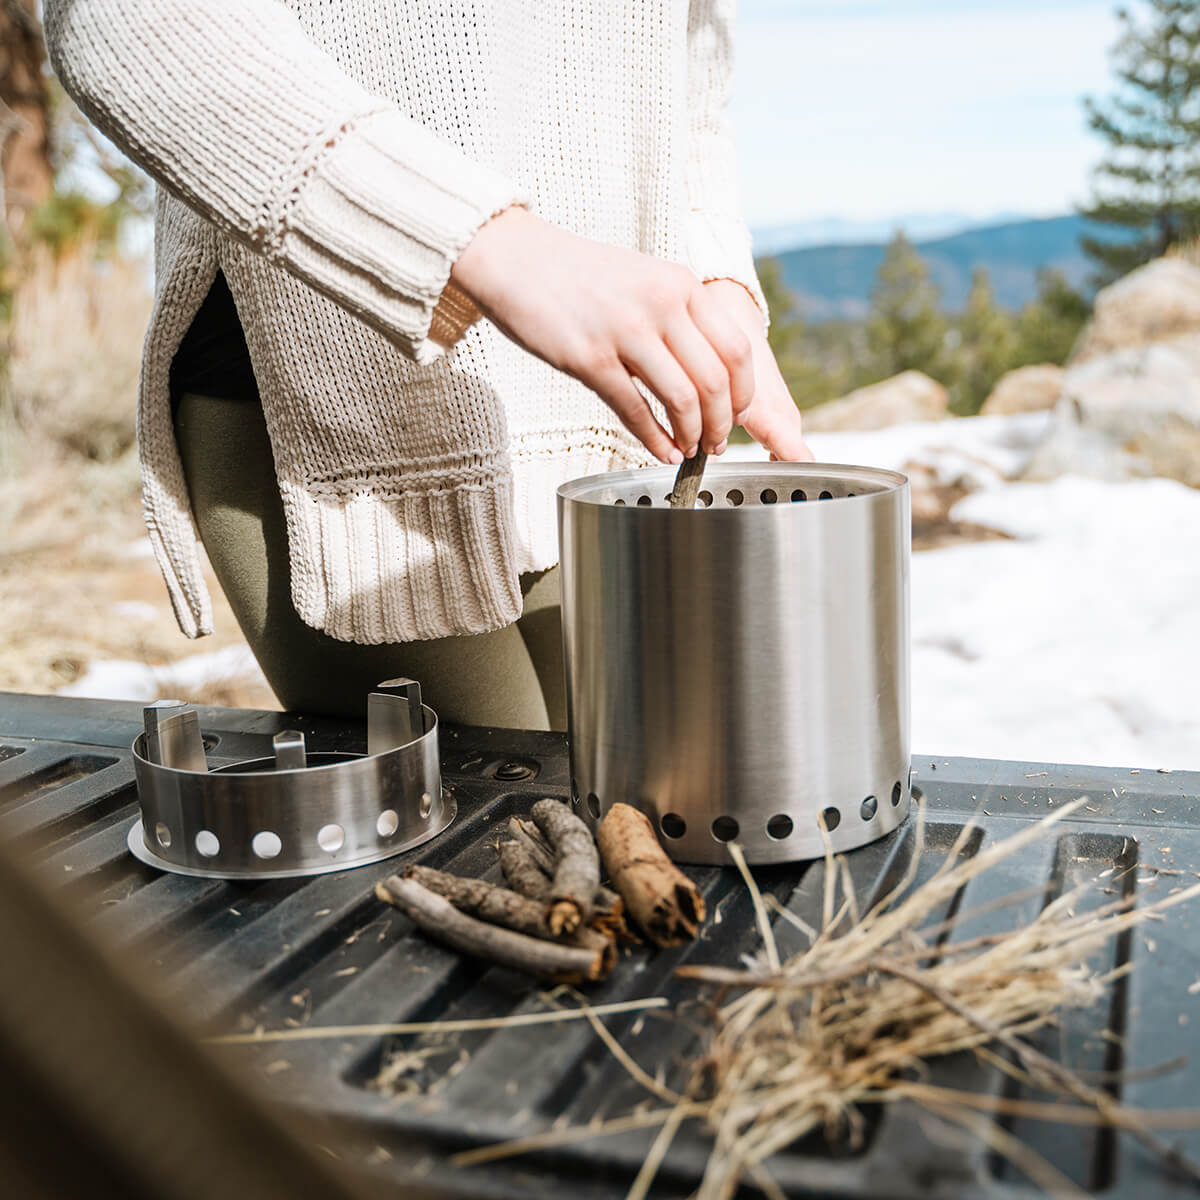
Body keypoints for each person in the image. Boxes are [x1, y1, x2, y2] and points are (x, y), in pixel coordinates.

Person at [45, 0, 812, 729]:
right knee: (501, 831)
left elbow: (690, 77)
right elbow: (119, 23)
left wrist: (715, 273)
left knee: (619, 797)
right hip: (334, 389)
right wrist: (494, 248)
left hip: (578, 411)